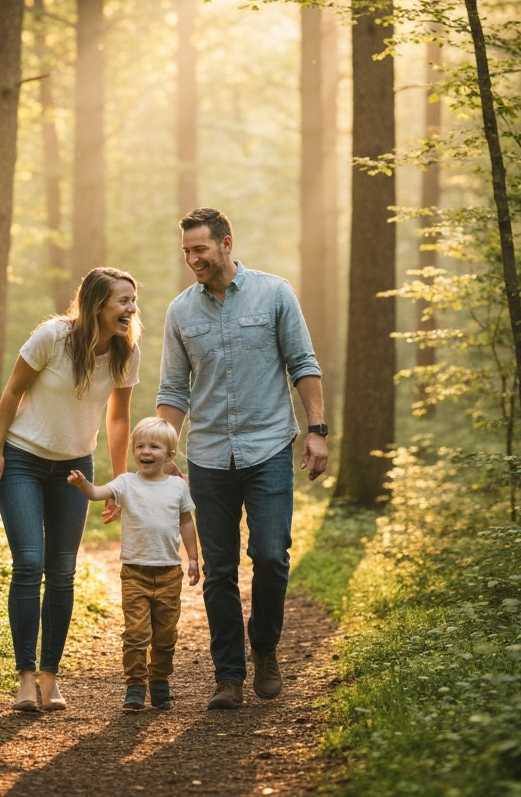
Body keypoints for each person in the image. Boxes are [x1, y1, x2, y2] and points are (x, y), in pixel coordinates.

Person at [156, 208, 328, 711]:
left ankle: (266, 648)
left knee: (271, 557)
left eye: (200, 250)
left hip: (269, 447)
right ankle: (228, 674)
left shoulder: (275, 294)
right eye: (186, 251)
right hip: (208, 456)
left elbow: (304, 364)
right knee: (220, 570)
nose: (192, 260)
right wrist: (165, 450)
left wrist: (316, 430)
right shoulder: (180, 312)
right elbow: (172, 389)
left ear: (226, 244)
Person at [0, 267, 141, 713]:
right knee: (30, 562)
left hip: (75, 468)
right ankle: (26, 680)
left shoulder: (126, 352)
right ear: (96, 305)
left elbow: (118, 418)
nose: (131, 309)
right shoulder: (51, 337)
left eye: (133, 300)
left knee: (63, 570)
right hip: (23, 462)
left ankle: (50, 678)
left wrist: (116, 482)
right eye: (122, 301)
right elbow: (12, 392)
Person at [67, 416, 199, 712]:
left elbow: (186, 522)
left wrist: (193, 558)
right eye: (139, 446)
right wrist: (82, 483)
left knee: (165, 636)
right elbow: (98, 493)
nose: (145, 452)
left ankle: (160, 682)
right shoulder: (126, 482)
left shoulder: (178, 487)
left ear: (169, 455)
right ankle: (135, 686)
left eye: (154, 446)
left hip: (168, 573)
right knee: (136, 634)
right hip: (135, 573)